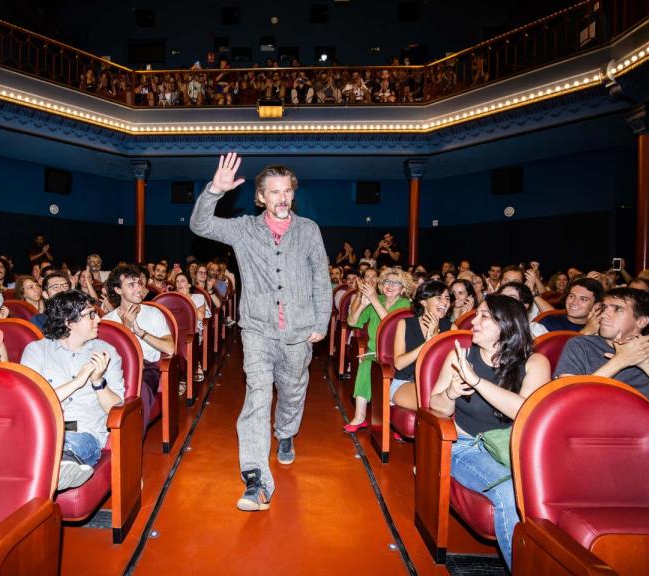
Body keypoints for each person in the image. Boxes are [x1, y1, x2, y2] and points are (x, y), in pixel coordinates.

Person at [190, 153, 331, 512]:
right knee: (256, 397)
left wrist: (320, 322)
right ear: (261, 198)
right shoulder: (242, 229)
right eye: (274, 192)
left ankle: (285, 433)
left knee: (293, 390)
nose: (282, 198)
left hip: (299, 331)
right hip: (256, 330)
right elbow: (200, 225)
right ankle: (255, 478)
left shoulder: (309, 229)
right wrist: (214, 191)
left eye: (287, 191)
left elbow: (321, 278)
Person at [428, 295, 551, 568]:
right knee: (510, 492)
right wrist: (451, 392)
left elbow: (524, 411)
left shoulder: (535, 363)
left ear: (507, 325)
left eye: (484, 316)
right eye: (477, 314)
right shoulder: (461, 355)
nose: (473, 321)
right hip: (465, 445)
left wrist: (476, 381)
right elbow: (435, 406)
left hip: (514, 447)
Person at [20, 291, 125, 491]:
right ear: (69, 322)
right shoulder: (36, 351)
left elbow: (116, 409)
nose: (99, 319)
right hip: (45, 428)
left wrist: (97, 381)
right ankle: (56, 468)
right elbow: (35, 401)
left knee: (69, 443)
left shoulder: (106, 352)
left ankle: (57, 468)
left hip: (84, 433)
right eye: (90, 314)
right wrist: (78, 381)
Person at [554, 287, 649, 418]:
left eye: (617, 309)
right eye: (604, 308)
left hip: (644, 433)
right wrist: (620, 361)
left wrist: (647, 365)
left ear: (641, 321)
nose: (604, 315)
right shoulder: (580, 345)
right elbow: (566, 402)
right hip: (591, 426)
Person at [104, 265, 175, 433]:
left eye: (139, 283)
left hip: (148, 368)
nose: (138, 289)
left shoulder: (154, 313)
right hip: (118, 368)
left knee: (138, 390)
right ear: (118, 290)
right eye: (131, 285)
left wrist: (138, 332)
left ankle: (130, 442)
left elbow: (170, 348)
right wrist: (126, 329)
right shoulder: (108, 320)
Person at [344, 268, 413, 430]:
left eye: (396, 283)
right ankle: (360, 416)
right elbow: (352, 322)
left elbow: (391, 325)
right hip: (374, 353)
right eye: (387, 281)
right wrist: (362, 305)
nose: (390, 285)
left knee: (368, 364)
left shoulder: (405, 304)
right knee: (366, 364)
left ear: (403, 289)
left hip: (397, 355)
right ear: (381, 285)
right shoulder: (378, 299)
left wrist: (373, 299)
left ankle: (393, 420)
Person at [389, 280, 453, 414]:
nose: (445, 302)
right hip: (406, 381)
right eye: (439, 297)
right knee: (434, 403)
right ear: (423, 302)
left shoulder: (451, 328)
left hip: (439, 384)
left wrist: (436, 337)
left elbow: (449, 365)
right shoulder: (405, 324)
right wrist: (428, 342)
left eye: (447, 298)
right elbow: (399, 364)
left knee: (447, 401)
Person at [537, 277, 604, 334]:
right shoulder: (549, 322)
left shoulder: (603, 329)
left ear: (596, 306)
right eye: (571, 296)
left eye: (583, 299)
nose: (574, 302)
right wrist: (586, 332)